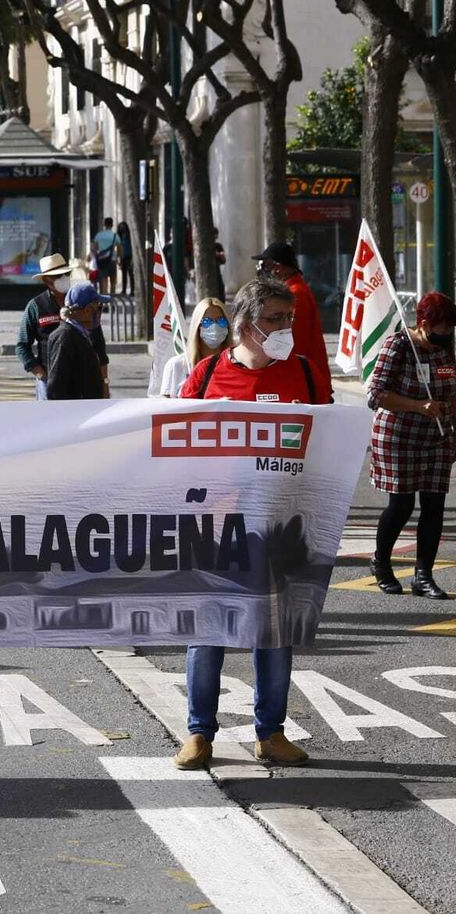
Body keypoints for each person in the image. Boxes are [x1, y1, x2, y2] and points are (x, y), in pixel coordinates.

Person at [173, 277, 328, 771]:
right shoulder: (206, 375)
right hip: (216, 528)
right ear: (245, 326)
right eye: (276, 319)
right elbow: (174, 444)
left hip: (282, 526)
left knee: (275, 632)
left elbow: (326, 443)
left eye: (290, 318)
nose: (287, 327)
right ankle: (199, 733)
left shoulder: (303, 373)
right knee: (207, 630)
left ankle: (271, 732)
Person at [367, 292, 456, 597]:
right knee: (402, 504)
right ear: (422, 323)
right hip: (399, 436)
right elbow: (376, 394)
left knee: (434, 505)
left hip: (437, 437)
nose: (442, 338)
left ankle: (423, 575)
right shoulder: (399, 345)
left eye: (448, 333)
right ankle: (381, 563)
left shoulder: (445, 351)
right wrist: (418, 406)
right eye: (437, 332)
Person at [16, 253, 109, 400]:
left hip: (81, 383)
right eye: (58, 276)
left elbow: (99, 347)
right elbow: (22, 346)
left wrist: (104, 382)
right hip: (50, 380)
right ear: (47, 280)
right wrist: (41, 374)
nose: (64, 278)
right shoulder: (36, 306)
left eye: (66, 274)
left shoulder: (80, 300)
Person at [253, 241, 331, 401]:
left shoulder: (295, 295)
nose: (264, 270)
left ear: (279, 267)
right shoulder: (292, 292)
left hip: (304, 380)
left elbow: (294, 341)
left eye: (266, 265)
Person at [44, 283, 109, 400]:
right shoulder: (64, 338)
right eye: (98, 307)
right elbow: (55, 389)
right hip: (76, 413)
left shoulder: (82, 333)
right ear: (87, 310)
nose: (99, 313)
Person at [155, 298, 228, 398]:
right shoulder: (176, 366)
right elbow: (165, 408)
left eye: (221, 321)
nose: (215, 326)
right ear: (197, 326)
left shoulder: (236, 366)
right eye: (207, 322)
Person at [92, 217, 120, 295]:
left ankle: (105, 301)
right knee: (113, 281)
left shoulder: (99, 235)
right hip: (112, 260)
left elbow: (94, 248)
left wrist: (96, 258)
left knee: (104, 281)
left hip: (102, 261)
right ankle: (112, 299)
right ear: (112, 225)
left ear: (104, 224)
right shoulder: (115, 235)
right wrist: (119, 258)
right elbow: (120, 248)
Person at [116, 221, 135, 296]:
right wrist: (119, 259)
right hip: (122, 257)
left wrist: (132, 259)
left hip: (129, 257)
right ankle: (124, 290)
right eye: (120, 228)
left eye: (123, 227)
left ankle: (132, 291)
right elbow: (118, 249)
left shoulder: (129, 237)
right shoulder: (119, 237)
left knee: (131, 274)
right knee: (124, 274)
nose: (122, 229)